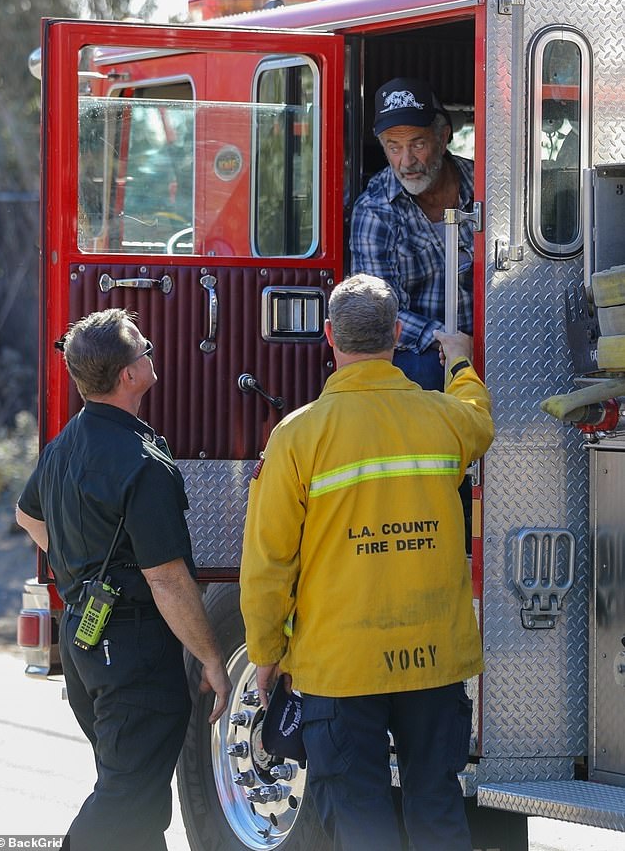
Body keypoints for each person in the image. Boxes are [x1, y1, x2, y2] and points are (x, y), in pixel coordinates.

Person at [240, 273, 494, 851]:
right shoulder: (445, 420)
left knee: (359, 824)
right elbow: (479, 417)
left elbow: (267, 566)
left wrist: (266, 655)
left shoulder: (297, 437)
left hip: (340, 668)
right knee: (437, 809)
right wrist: (458, 363)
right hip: (433, 659)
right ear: (398, 333)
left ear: (329, 336)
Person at [15, 308, 231, 851]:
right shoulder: (141, 460)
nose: (151, 352)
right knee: (126, 800)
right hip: (133, 651)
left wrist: (82, 573)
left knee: (139, 803)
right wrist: (211, 659)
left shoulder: (65, 444)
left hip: (88, 647)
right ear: (128, 376)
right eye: (145, 349)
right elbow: (166, 579)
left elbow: (28, 515)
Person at [350, 77, 474, 391]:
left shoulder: (487, 184)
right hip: (426, 350)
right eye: (394, 147)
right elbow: (381, 310)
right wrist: (446, 341)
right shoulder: (374, 210)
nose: (406, 162)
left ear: (443, 137)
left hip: (497, 342)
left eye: (417, 144)